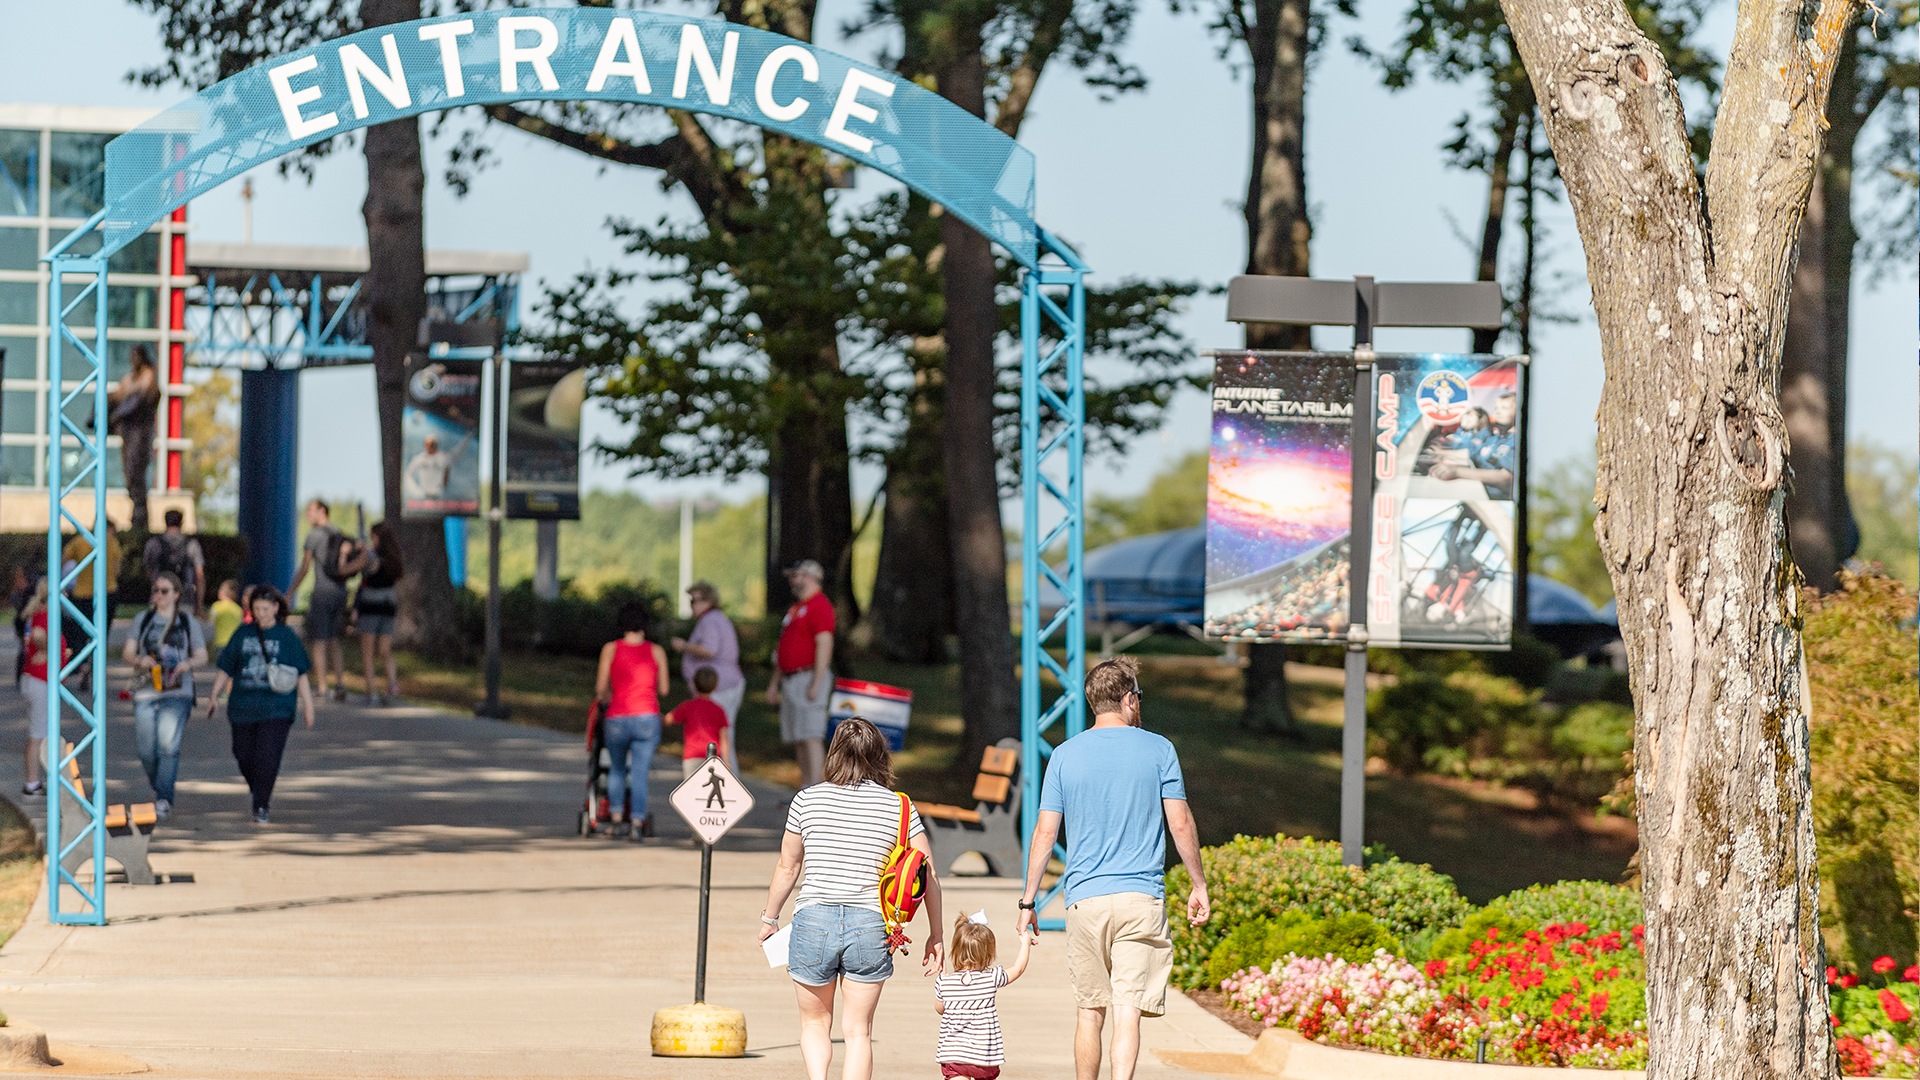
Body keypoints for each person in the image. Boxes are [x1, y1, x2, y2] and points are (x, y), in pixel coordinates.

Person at [1017, 656, 1210, 1080]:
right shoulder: (1159, 748)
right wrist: (1198, 883)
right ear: (1127, 699)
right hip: (1141, 898)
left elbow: (1045, 835)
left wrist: (1028, 900)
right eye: (1137, 695)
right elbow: (1179, 821)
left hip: (1085, 900)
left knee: (1090, 1012)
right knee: (1127, 1012)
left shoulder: (1065, 755)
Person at [758, 717, 944, 1080]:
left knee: (814, 1023)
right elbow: (929, 874)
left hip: (813, 922)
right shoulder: (899, 807)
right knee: (859, 1032)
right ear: (879, 756)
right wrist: (935, 935)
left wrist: (770, 919)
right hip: (871, 927)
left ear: (833, 754)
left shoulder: (807, 800)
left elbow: (787, 866)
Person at [206, 586, 313, 825]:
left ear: (276, 608)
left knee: (268, 757)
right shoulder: (242, 634)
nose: (261, 614)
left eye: (266, 609)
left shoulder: (287, 637)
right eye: (257, 609)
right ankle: (259, 789)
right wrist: (214, 695)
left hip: (276, 708)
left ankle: (261, 803)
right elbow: (226, 667)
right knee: (242, 754)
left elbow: (301, 673)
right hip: (243, 707)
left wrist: (308, 705)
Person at [122, 572, 207, 820]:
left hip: (177, 690)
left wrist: (187, 664)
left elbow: (202, 655)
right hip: (148, 689)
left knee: (168, 744)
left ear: (176, 594)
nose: (158, 595)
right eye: (156, 590)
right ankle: (162, 785)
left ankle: (163, 797)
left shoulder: (187, 622)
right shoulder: (143, 619)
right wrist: (140, 659)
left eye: (165, 591)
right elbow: (127, 653)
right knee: (146, 749)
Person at [593, 601, 668, 840]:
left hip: (617, 717)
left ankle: (615, 820)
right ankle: (636, 821)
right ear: (645, 625)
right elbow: (664, 689)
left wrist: (607, 696)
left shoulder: (611, 649)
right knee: (639, 773)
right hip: (646, 717)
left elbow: (601, 688)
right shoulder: (656, 651)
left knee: (616, 770)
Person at [935, 912, 1034, 1080]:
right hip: (984, 1058)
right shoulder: (991, 978)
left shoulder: (944, 982)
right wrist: (1026, 944)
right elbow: (1018, 969)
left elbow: (940, 1009)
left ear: (956, 951)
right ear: (988, 954)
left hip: (954, 1056)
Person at [765, 559, 835, 788]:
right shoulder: (795, 609)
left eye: (795, 576)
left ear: (809, 577)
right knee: (798, 737)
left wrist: (817, 681)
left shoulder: (819, 606)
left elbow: (824, 643)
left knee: (810, 735)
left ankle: (816, 789)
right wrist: (774, 683)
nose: (791, 581)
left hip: (808, 676)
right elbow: (783, 647)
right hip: (790, 678)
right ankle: (806, 787)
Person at [671, 581, 743, 760]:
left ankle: (726, 777)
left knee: (717, 737)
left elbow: (710, 649)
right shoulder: (716, 619)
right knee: (723, 735)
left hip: (719, 687)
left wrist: (683, 646)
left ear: (707, 601)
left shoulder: (710, 621)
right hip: (725, 684)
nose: (692, 606)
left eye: (694, 601)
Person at [286, 500, 349, 700]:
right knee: (334, 639)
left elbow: (305, 567)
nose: (307, 515)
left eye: (310, 511)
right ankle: (340, 684)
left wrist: (290, 592)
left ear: (322, 511)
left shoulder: (314, 535)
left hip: (322, 592)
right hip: (340, 592)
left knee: (319, 640)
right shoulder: (338, 533)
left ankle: (322, 687)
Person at [340, 521, 403, 706]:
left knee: (367, 651)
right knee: (385, 649)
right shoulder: (394, 558)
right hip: (389, 604)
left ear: (376, 537)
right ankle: (392, 683)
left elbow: (345, 570)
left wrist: (345, 553)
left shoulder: (369, 556)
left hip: (371, 605)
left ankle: (371, 691)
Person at [16, 580, 64, 797]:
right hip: (40, 680)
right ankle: (32, 782)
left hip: (35, 679)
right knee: (39, 733)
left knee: (40, 731)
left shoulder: (38, 613)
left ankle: (36, 780)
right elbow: (37, 635)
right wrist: (47, 648)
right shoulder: (45, 615)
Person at [60, 517, 122, 683]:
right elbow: (117, 569)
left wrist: (66, 580)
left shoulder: (80, 541)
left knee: (81, 633)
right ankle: (96, 666)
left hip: (82, 593)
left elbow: (65, 558)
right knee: (102, 633)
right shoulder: (112, 542)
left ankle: (83, 665)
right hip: (107, 592)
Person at [108, 344, 160, 530]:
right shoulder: (130, 378)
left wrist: (126, 394)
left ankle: (140, 516)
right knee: (130, 473)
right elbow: (120, 391)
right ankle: (137, 513)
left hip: (140, 433)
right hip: (129, 433)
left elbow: (141, 391)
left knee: (135, 472)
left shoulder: (148, 376)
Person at [668, 667, 731, 777]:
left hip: (692, 756)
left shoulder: (688, 706)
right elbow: (724, 736)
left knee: (691, 790)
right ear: (716, 687)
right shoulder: (719, 710)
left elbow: (669, 719)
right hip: (713, 758)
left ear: (693, 685)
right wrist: (726, 760)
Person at [143, 509, 205, 615]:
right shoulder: (192, 544)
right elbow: (199, 575)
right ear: (182, 522)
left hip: (159, 596)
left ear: (165, 521)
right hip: (185, 596)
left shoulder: (154, 543)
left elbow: (147, 569)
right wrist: (199, 603)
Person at [209, 580, 244, 652]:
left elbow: (210, 623)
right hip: (234, 642)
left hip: (221, 641)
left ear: (222, 593)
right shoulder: (238, 609)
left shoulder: (217, 606)